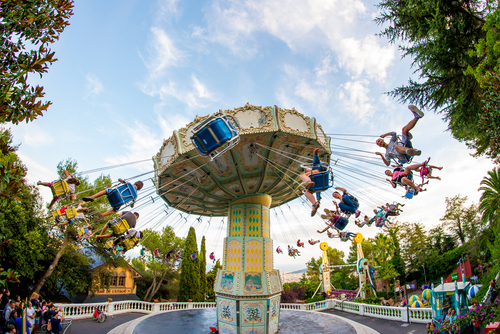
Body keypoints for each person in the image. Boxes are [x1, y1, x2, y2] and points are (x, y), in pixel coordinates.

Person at [299, 148, 325, 216]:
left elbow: (316, 161)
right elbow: (318, 191)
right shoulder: (311, 176)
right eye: (306, 170)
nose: (307, 170)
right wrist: (318, 199)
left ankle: (308, 182)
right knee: (306, 192)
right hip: (319, 183)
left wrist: (315, 154)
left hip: (318, 172)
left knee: (302, 176)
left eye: (307, 169)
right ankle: (314, 204)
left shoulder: (315, 167)